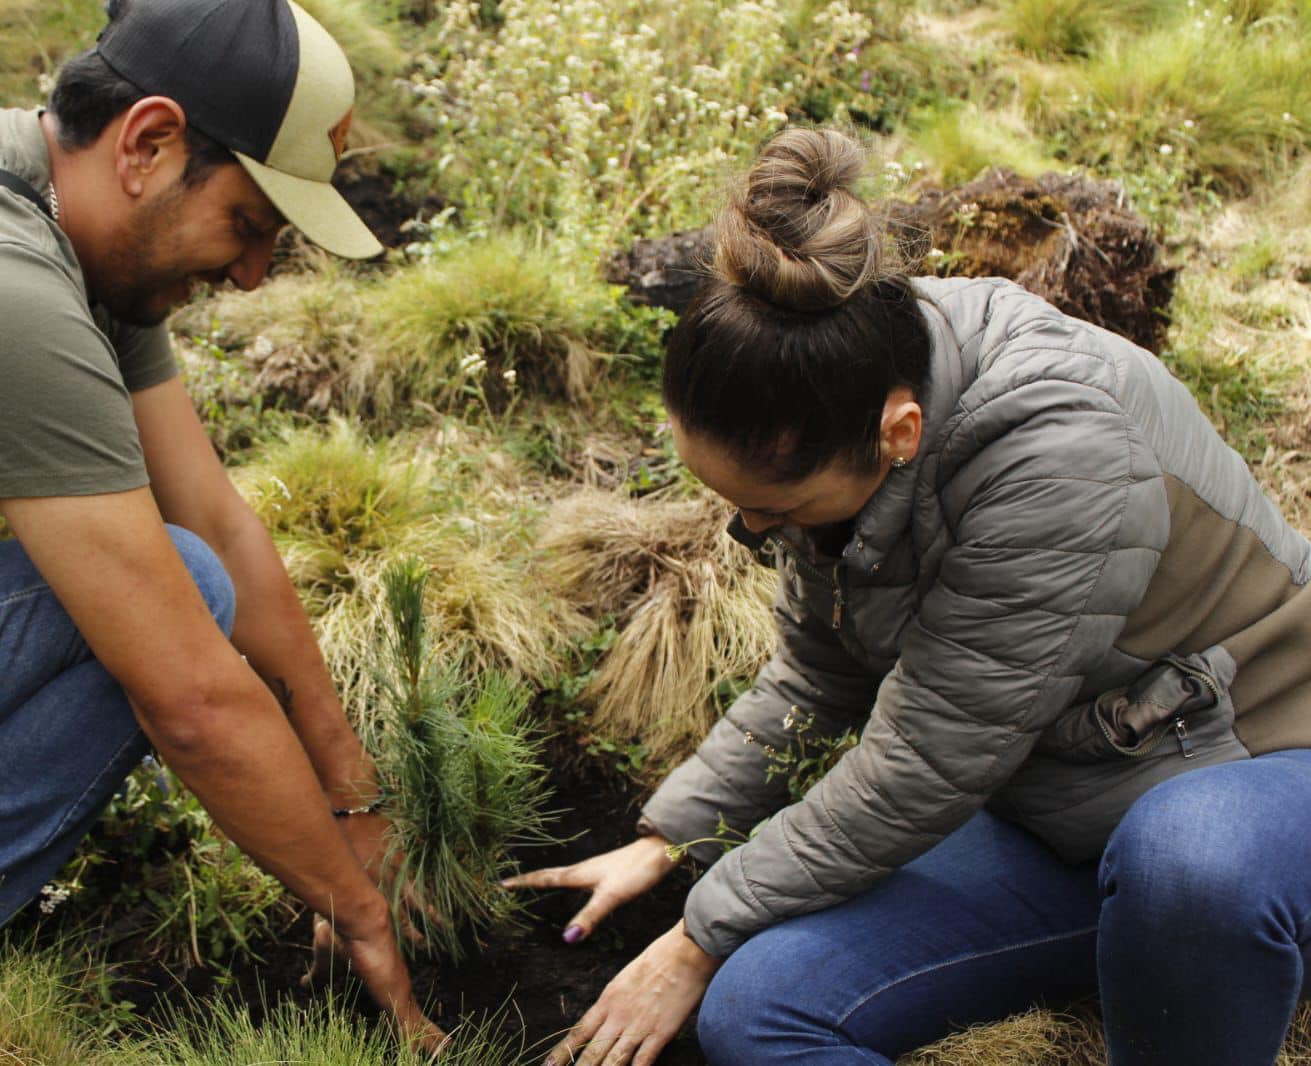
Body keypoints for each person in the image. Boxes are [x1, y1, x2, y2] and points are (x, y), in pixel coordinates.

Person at [0, 0, 442, 1048]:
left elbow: (221, 522)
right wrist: (356, 909)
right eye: (249, 224)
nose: (249, 276)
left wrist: (351, 796)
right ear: (148, 142)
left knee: (183, 570)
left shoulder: (51, 210)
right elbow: (189, 692)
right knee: (166, 600)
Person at [509, 127, 1311, 1066]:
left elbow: (930, 755)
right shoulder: (832, 371)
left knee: (1189, 863)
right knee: (761, 1013)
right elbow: (817, 676)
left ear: (901, 431)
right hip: (1063, 804)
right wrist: (669, 837)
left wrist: (698, 932)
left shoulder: (1058, 449)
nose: (752, 534)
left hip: (1255, 772)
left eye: (772, 509)